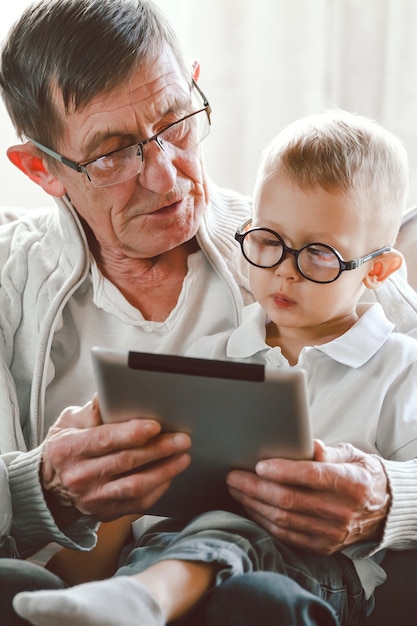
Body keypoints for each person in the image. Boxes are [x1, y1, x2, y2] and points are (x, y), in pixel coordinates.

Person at [1, 0, 417, 624]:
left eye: (176, 121)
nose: (167, 178)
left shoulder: (314, 251)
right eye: (113, 153)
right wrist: (44, 487)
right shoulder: (11, 283)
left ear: (195, 84)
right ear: (42, 169)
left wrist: (391, 498)